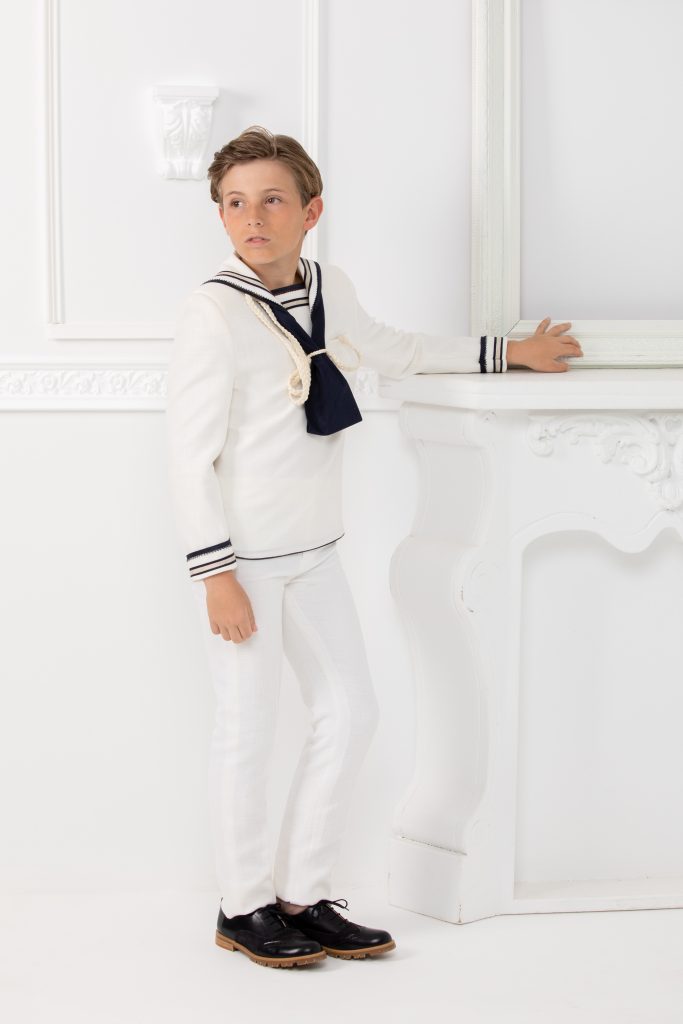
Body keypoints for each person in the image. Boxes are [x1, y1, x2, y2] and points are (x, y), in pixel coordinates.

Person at [165, 125, 583, 969]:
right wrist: (215, 575)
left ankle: (302, 895)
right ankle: (241, 906)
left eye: (272, 200)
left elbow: (396, 349)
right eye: (235, 203)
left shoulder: (329, 288)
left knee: (351, 711)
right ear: (220, 216)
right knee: (247, 729)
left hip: (313, 548)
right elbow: (187, 455)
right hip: (243, 563)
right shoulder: (212, 311)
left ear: (311, 211)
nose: (253, 218)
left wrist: (510, 354)